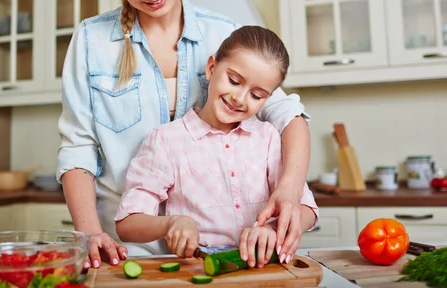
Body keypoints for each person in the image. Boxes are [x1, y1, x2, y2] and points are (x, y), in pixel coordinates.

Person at [56, 0, 312, 269]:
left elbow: (289, 116)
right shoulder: (91, 42)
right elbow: (78, 149)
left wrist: (289, 191)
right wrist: (91, 233)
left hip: (212, 250)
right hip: (126, 246)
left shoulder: (222, 34)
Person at [115, 26, 319, 268]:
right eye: (234, 81)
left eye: (257, 95)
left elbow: (307, 210)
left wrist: (273, 229)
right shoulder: (166, 141)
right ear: (212, 68)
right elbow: (127, 224)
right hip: (196, 273)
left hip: (262, 273)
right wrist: (171, 223)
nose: (240, 98)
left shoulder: (269, 139)